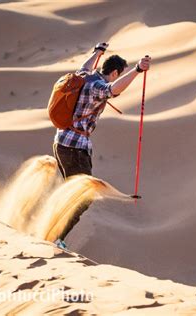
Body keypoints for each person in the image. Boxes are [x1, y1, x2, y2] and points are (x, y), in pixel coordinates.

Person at [52, 42, 151, 249]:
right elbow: (112, 90)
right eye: (119, 73)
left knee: (70, 191)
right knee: (83, 196)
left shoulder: (85, 76)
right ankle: (57, 238)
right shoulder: (96, 87)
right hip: (75, 148)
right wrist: (137, 70)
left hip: (61, 142)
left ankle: (50, 226)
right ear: (114, 72)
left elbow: (85, 66)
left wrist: (97, 52)